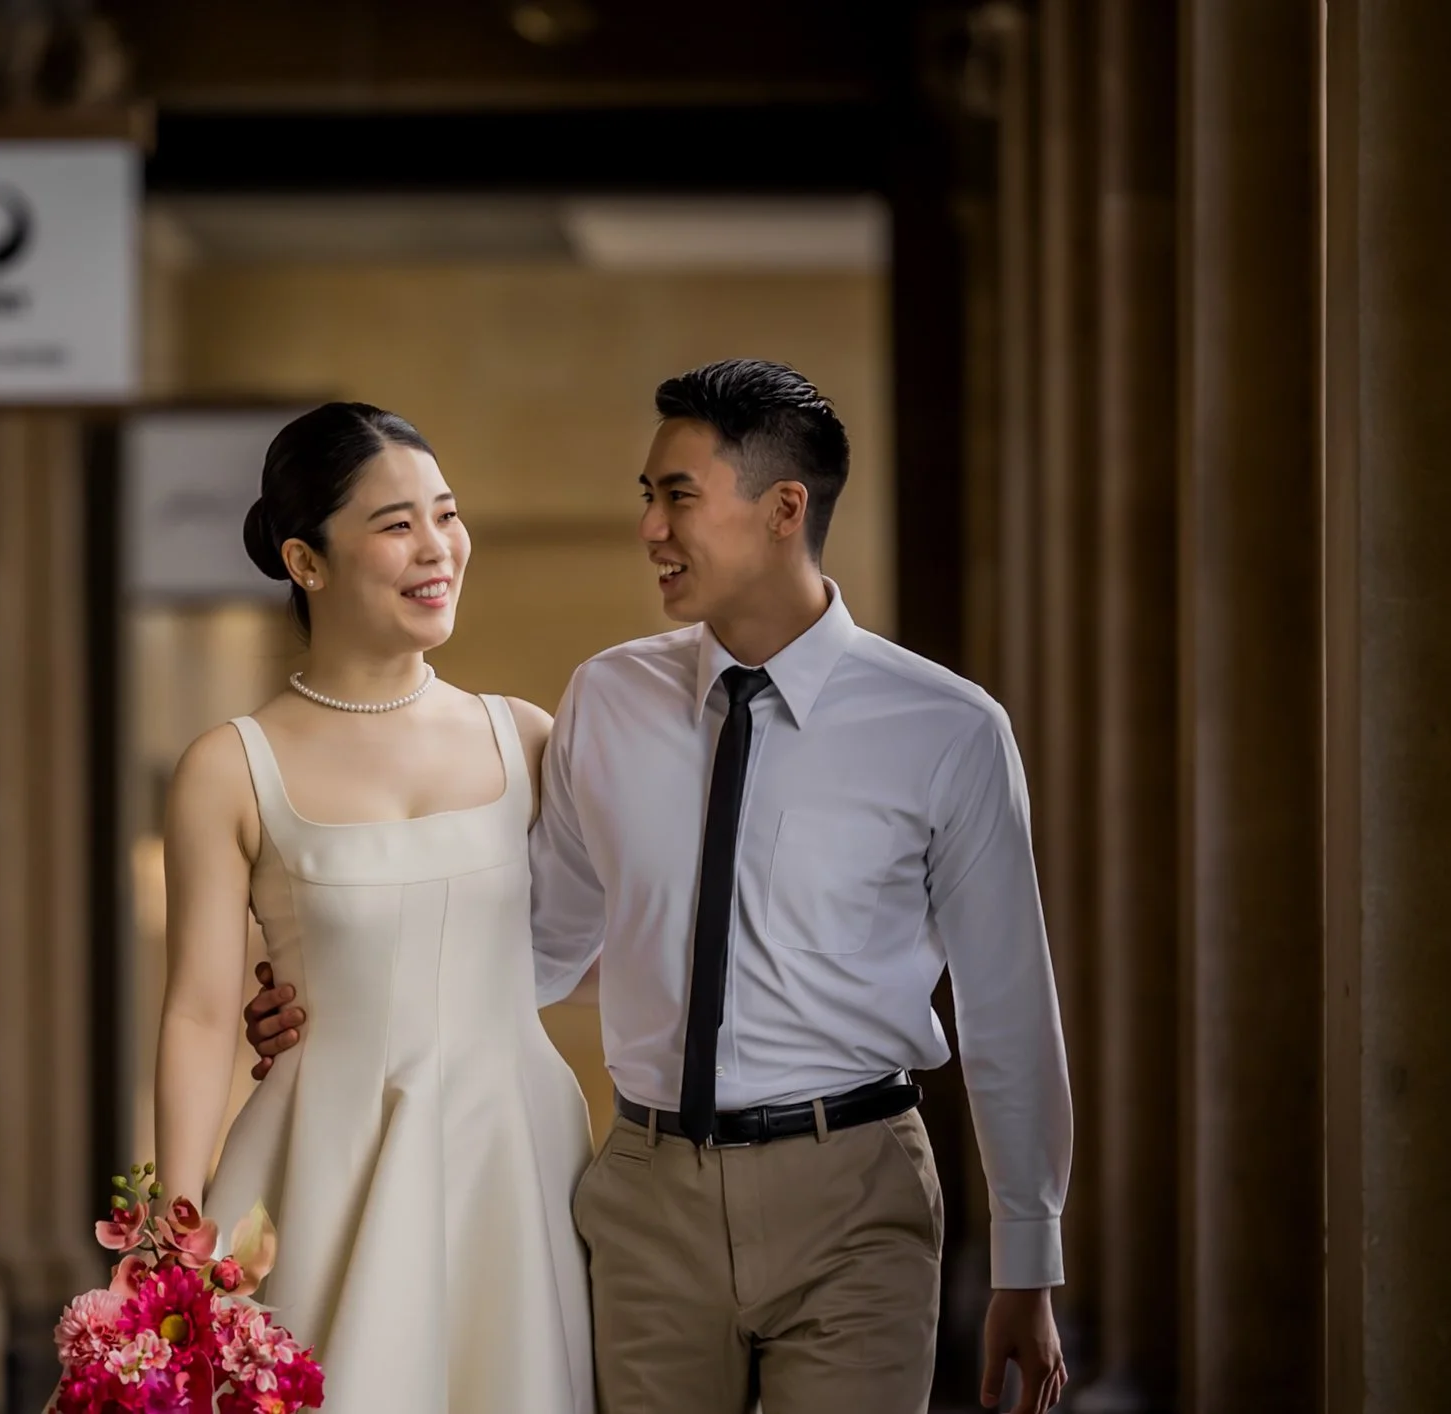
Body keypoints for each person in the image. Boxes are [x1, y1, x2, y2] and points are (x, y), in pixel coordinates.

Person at [247, 360, 1073, 1414]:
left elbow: (1010, 1007)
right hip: (646, 1191)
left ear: (784, 509)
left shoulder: (948, 730)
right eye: (648, 497)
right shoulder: (608, 696)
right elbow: (539, 945)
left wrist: (1030, 1261)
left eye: (678, 496)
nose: (650, 528)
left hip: (854, 1189)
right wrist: (336, 991)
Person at [156, 402, 596, 1413]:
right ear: (307, 562)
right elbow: (198, 1010)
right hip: (321, 1159)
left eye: (446, 514)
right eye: (397, 525)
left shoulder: (528, 740)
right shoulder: (229, 767)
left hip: (511, 1159)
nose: (438, 547)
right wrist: (171, 1231)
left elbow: (627, 942)